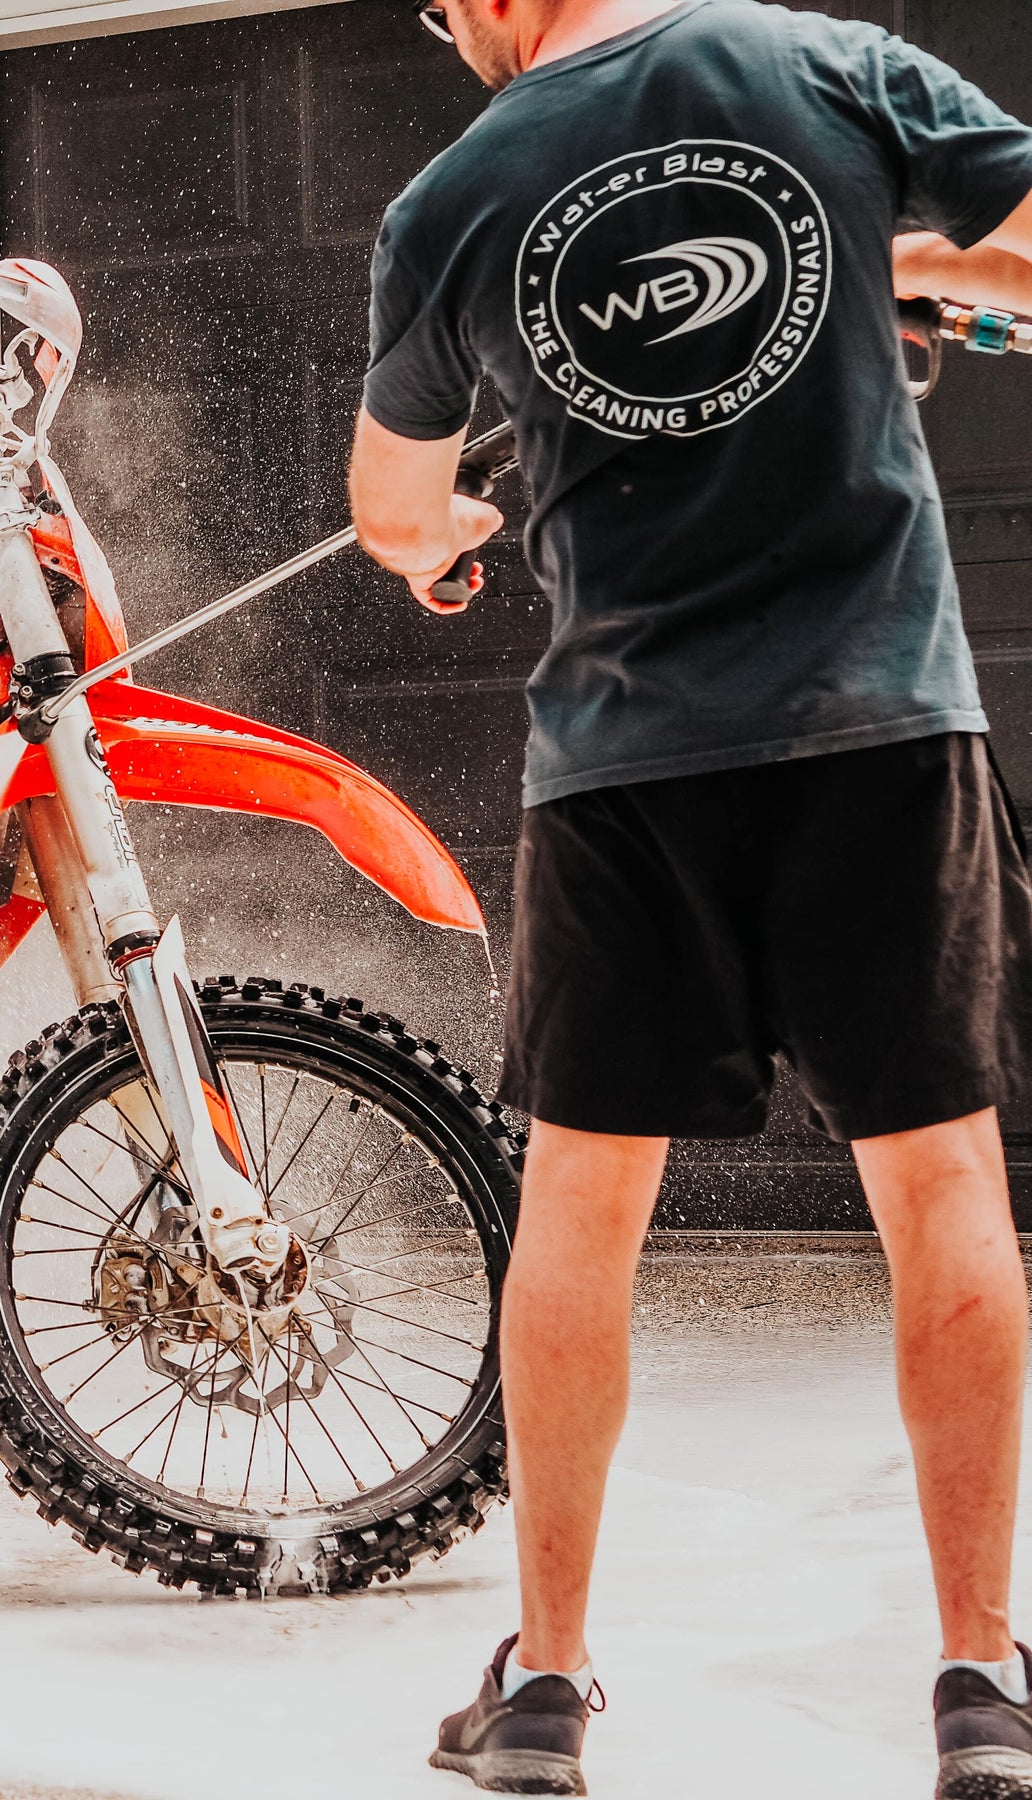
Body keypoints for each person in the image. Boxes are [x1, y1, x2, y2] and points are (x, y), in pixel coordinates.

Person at [347, 0, 1032, 1791]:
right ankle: (980, 1685)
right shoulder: (831, 68)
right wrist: (888, 268)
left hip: (626, 762)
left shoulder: (457, 192)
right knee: (940, 1177)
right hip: (879, 729)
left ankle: (549, 1693)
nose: (447, 39)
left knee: (583, 1205)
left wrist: (451, 544)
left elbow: (387, 508)